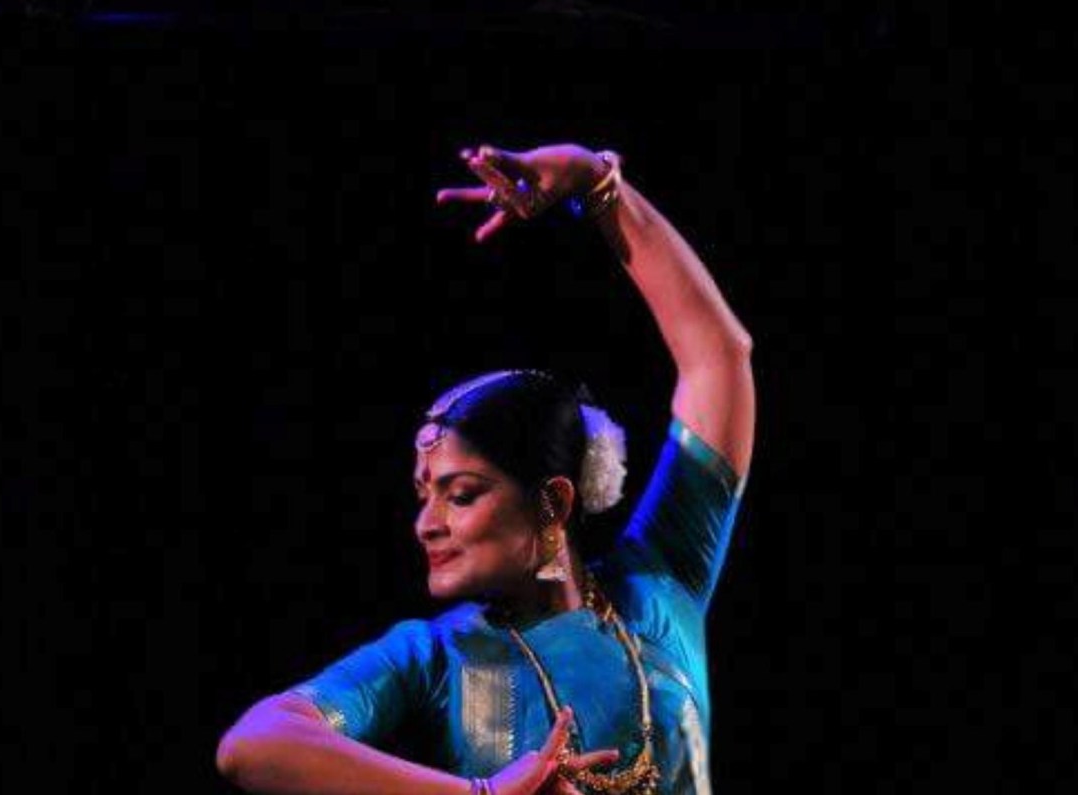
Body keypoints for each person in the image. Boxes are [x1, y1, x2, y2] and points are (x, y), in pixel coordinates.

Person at [216, 142, 755, 794]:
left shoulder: (660, 582)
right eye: (424, 495)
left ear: (552, 502)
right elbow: (255, 743)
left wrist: (593, 180)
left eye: (462, 494)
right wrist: (484, 794)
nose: (426, 524)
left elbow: (718, 354)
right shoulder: (435, 654)